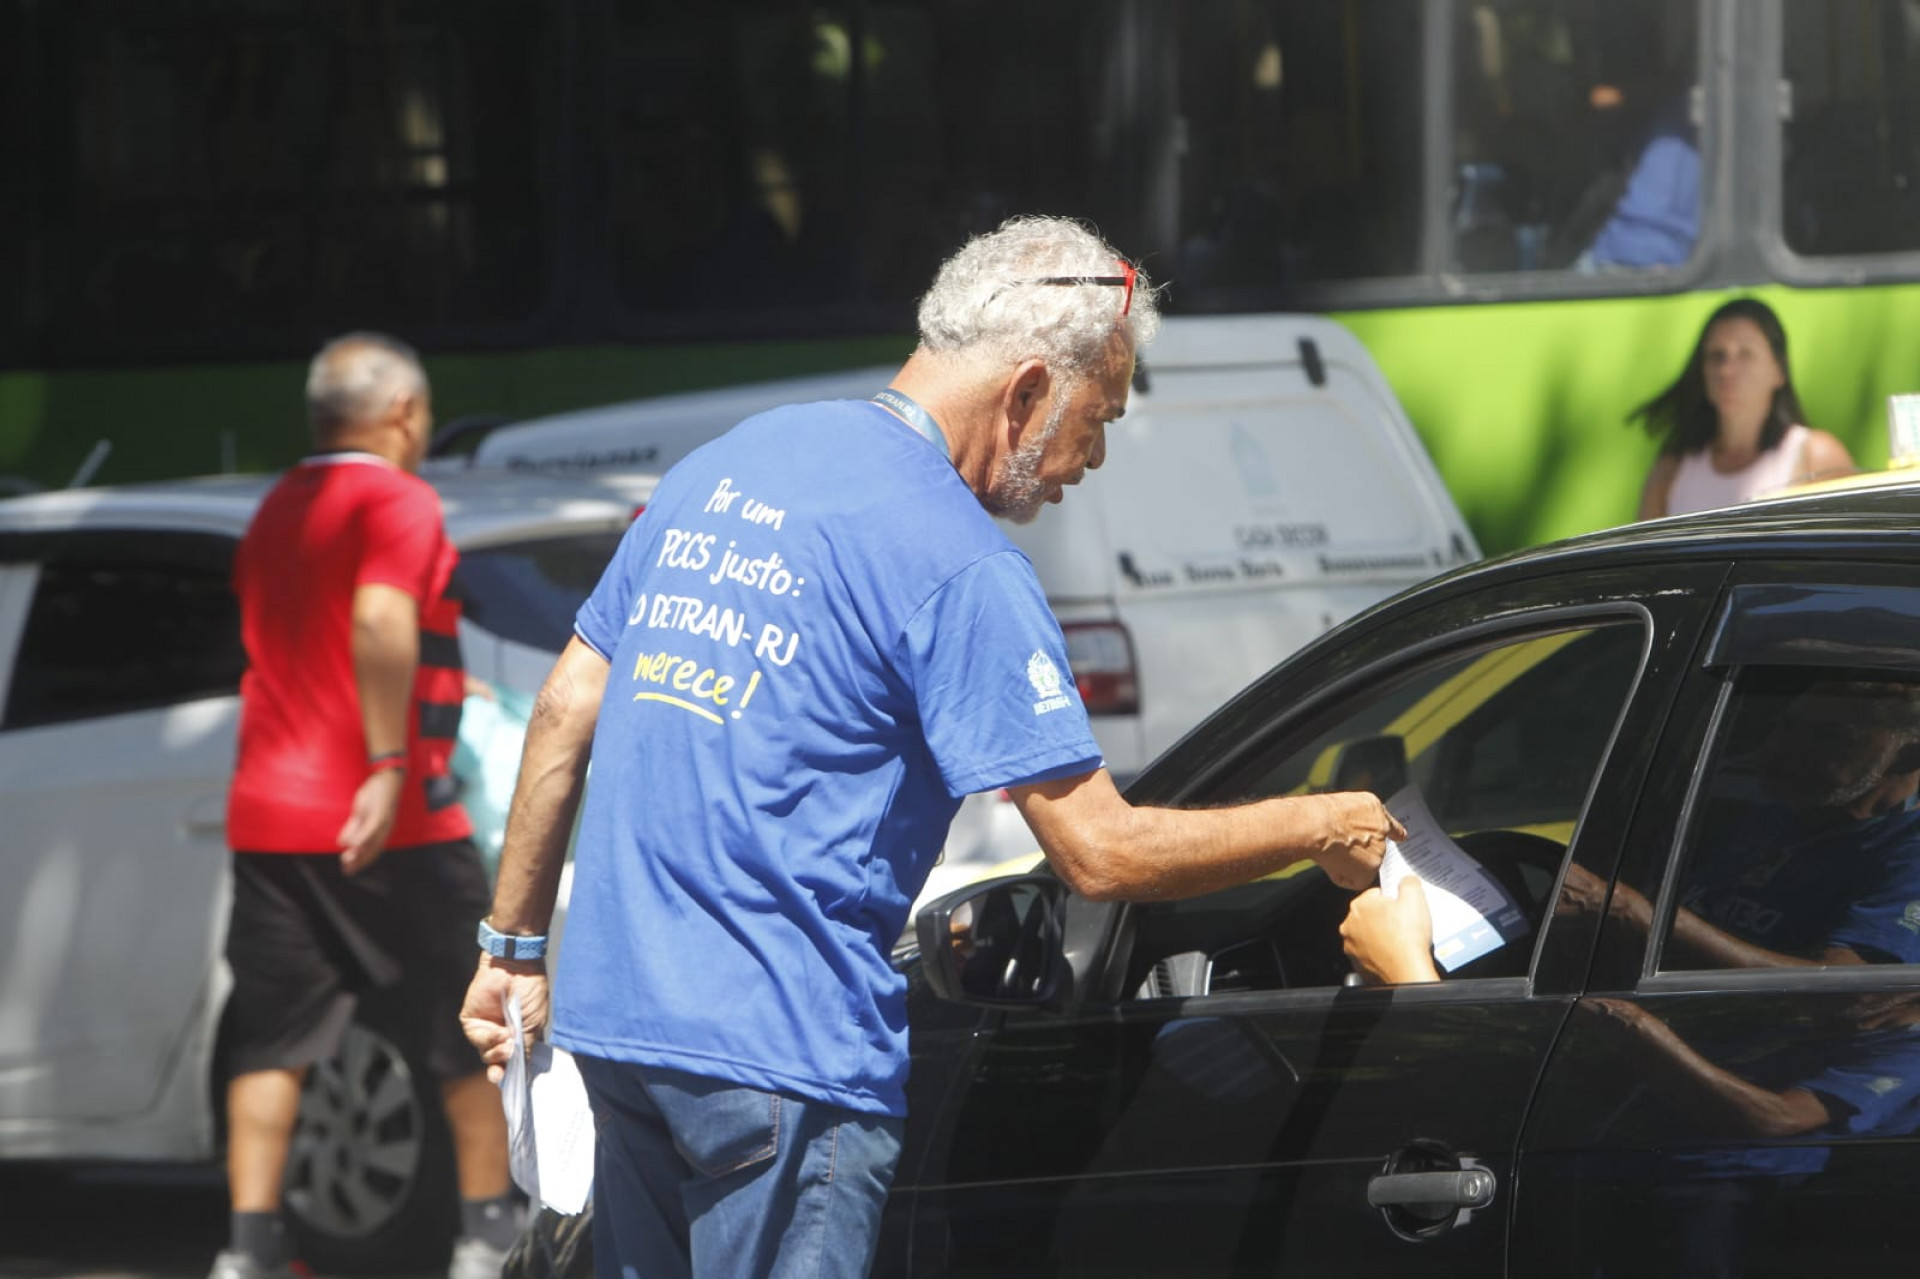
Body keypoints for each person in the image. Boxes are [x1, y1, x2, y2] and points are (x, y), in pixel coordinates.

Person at [457, 215, 1404, 1279]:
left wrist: (512, 950)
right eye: (1098, 419)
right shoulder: (959, 563)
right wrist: (1322, 818)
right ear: (1030, 390)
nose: (1088, 462)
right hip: (780, 1057)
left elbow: (567, 704)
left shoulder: (729, 465)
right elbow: (1101, 852)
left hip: (620, 1027)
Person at [213, 334, 518, 1279]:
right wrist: (388, 760)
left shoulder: (275, 507)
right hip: (392, 819)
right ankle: (486, 1238)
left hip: (270, 817)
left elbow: (308, 644)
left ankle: (249, 1250)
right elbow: (381, 617)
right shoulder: (397, 499)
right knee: (470, 1024)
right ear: (404, 415)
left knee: (273, 1038)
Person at [1341, 676, 1920, 984]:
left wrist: (1631, 914)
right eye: (1787, 729)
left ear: (1906, 756)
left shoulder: (1902, 853)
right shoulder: (1766, 813)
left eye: (1829, 740)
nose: (1783, 752)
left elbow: (1843, 996)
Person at [1633, 297, 1855, 520]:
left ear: (1778, 371)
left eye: (1745, 354)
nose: (1726, 370)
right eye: (1716, 355)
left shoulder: (1816, 456)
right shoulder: (1672, 469)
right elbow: (1644, 554)